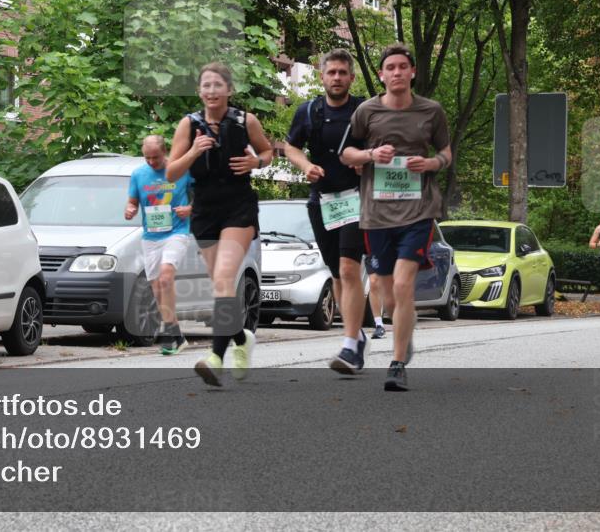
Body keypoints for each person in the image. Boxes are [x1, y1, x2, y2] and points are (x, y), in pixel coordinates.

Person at [341, 43, 452, 392]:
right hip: (377, 215)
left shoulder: (431, 111)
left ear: (412, 72)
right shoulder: (367, 111)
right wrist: (372, 154)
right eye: (390, 67)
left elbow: (446, 151)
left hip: (418, 211)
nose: (397, 73)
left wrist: (433, 163)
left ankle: (397, 362)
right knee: (389, 298)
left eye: (403, 66)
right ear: (381, 74)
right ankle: (405, 333)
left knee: (404, 287)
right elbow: (346, 154)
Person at [167, 62, 274, 386]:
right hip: (205, 210)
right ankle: (242, 339)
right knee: (222, 286)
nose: (212, 91)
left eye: (218, 85)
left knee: (225, 278)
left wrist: (257, 161)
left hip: (238, 207)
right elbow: (171, 172)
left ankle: (215, 357)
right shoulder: (189, 125)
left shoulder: (246, 120)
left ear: (229, 89)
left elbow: (268, 152)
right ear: (199, 91)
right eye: (206, 86)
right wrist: (194, 152)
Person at [284, 48, 369, 373]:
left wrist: (366, 161)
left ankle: (349, 345)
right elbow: (291, 146)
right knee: (336, 273)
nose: (336, 78)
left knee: (349, 269)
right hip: (322, 201)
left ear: (351, 77)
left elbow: (382, 142)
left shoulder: (364, 110)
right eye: (331, 72)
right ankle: (355, 335)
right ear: (322, 77)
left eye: (342, 73)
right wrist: (306, 165)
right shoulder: (309, 111)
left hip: (357, 199)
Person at [125, 135, 194, 355]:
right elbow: (133, 201)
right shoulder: (138, 174)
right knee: (157, 289)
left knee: (166, 277)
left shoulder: (180, 170)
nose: (152, 162)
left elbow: (204, 195)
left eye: (156, 157)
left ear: (165, 152)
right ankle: (177, 335)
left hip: (177, 232)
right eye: (147, 158)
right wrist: (130, 209)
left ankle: (166, 333)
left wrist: (190, 208)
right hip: (151, 238)